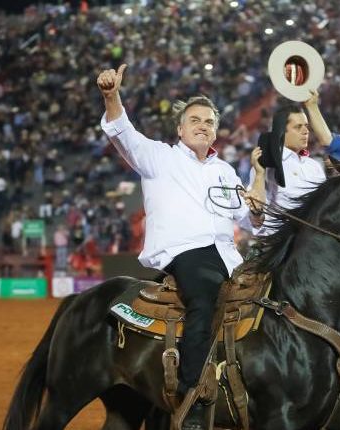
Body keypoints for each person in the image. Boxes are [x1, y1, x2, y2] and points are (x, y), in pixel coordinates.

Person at [97, 64, 266, 429]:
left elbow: (248, 218)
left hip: (229, 256)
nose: (203, 125)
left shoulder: (225, 171)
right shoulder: (159, 157)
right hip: (185, 253)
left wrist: (255, 206)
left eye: (209, 121)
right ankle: (191, 398)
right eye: (195, 120)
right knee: (204, 299)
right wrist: (112, 96)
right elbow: (122, 132)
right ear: (180, 128)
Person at [250, 103, 326, 235]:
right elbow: (257, 220)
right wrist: (259, 174)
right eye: (298, 127)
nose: (306, 131)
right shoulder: (267, 165)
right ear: (281, 131)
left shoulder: (315, 166)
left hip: (315, 241)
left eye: (306, 126)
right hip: (281, 243)